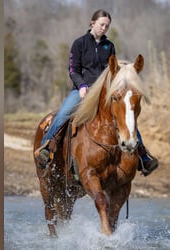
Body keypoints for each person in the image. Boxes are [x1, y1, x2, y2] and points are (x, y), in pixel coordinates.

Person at [34, 9, 158, 176]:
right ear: (92, 23)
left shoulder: (109, 46)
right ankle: (46, 147)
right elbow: (73, 69)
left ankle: (142, 156)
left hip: (103, 92)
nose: (104, 28)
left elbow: (113, 71)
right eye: (101, 24)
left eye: (107, 26)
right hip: (82, 90)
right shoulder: (79, 43)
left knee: (125, 116)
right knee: (64, 113)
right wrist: (82, 85)